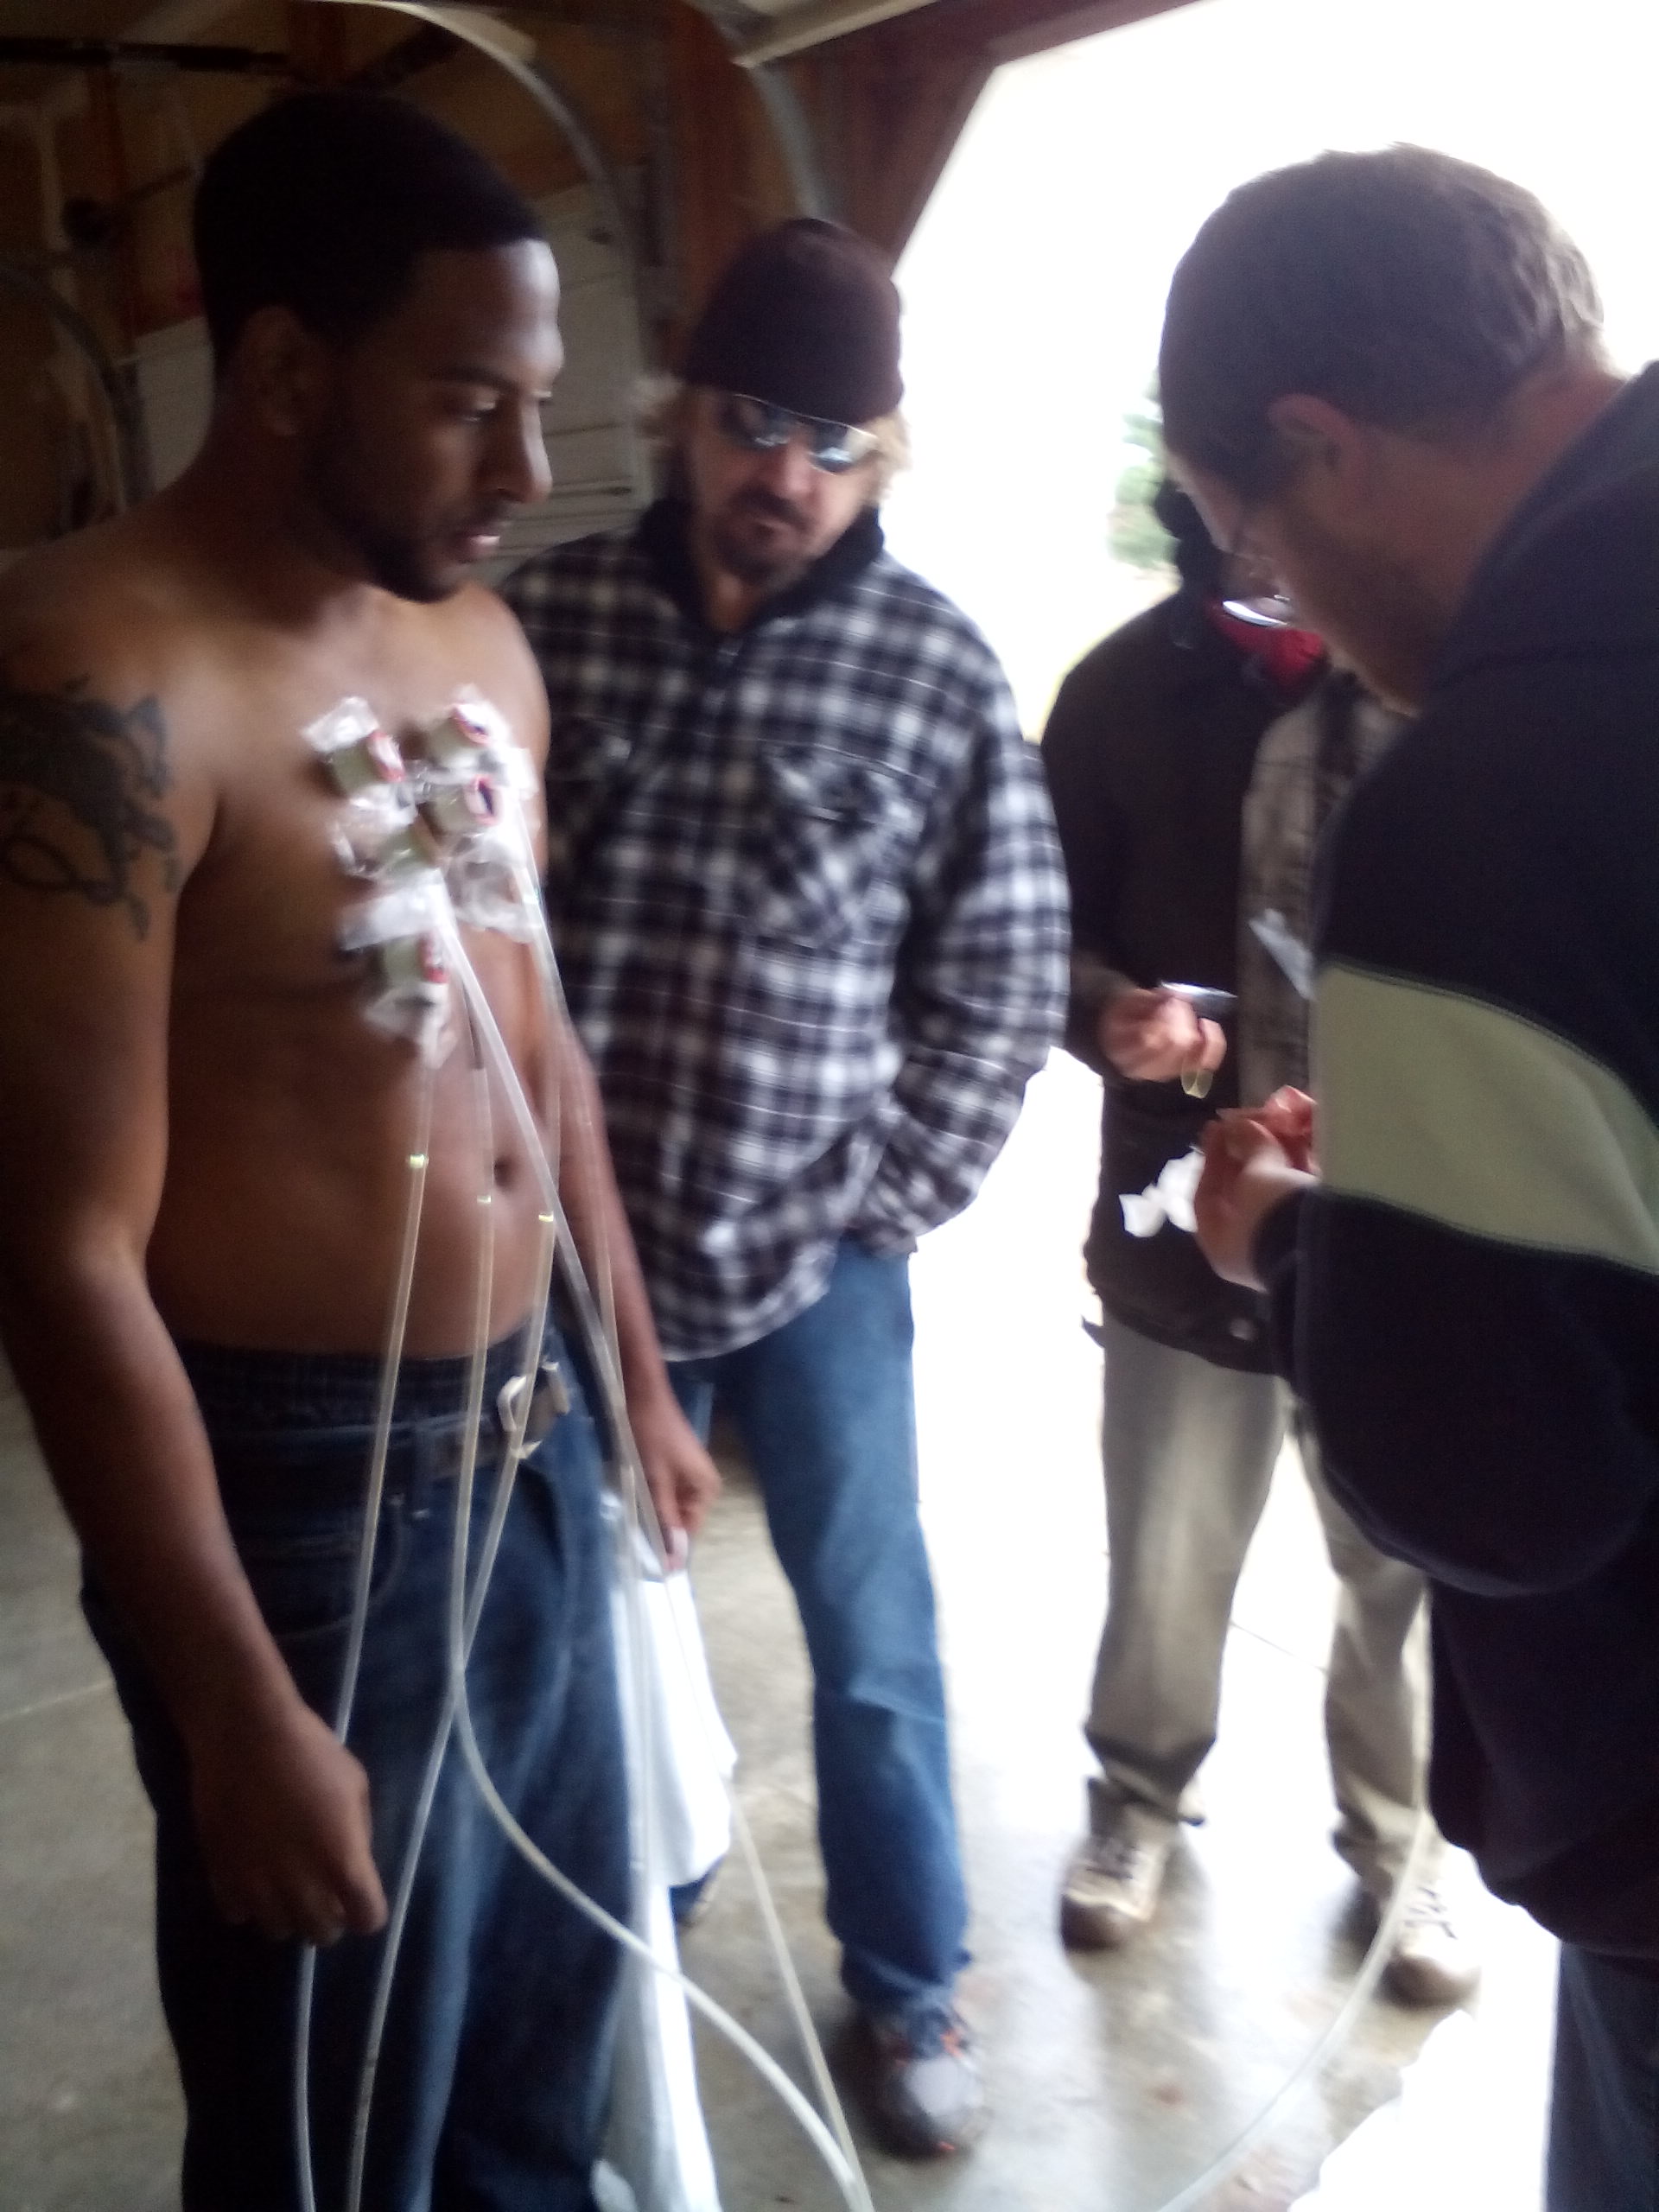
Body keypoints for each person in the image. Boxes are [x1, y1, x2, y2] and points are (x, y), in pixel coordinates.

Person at [0, 92, 720, 2212]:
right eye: (467, 406)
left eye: (541, 408)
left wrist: (641, 1382)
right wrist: (233, 1701)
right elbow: (58, 1250)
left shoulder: (474, 640)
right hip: (308, 1499)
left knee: (536, 2036)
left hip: (532, 1440)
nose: (522, 472)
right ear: (291, 370)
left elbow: (536, 1053)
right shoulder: (90, 674)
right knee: (336, 2107)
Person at [503, 219, 1070, 2157]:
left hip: (811, 1264)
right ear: (682, 414)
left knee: (874, 1639)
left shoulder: (933, 672)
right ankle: (617, 1947)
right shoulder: (546, 625)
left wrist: (875, 1210)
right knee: (583, 1641)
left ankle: (910, 1984)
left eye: (835, 441)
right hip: (570, 1273)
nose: (788, 478)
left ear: (880, 455)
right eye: (756, 423)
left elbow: (1000, 977)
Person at [1162, 145, 1659, 2212]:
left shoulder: (1498, 786)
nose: (1301, 626)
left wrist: (1304, 1241)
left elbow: (1492, 1473)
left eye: (1254, 552)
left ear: (1321, 446)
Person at [1041, 487, 1472, 2004]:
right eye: (1234, 501)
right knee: (1164, 1545)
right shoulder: (1117, 696)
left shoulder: (1442, 687)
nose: (1269, 542)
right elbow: (1036, 928)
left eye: (1298, 502)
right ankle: (1138, 1804)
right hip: (1180, 1215)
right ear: (1195, 498)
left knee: (1400, 1560)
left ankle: (1404, 1852)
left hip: (1395, 1222)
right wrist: (1107, 1013)